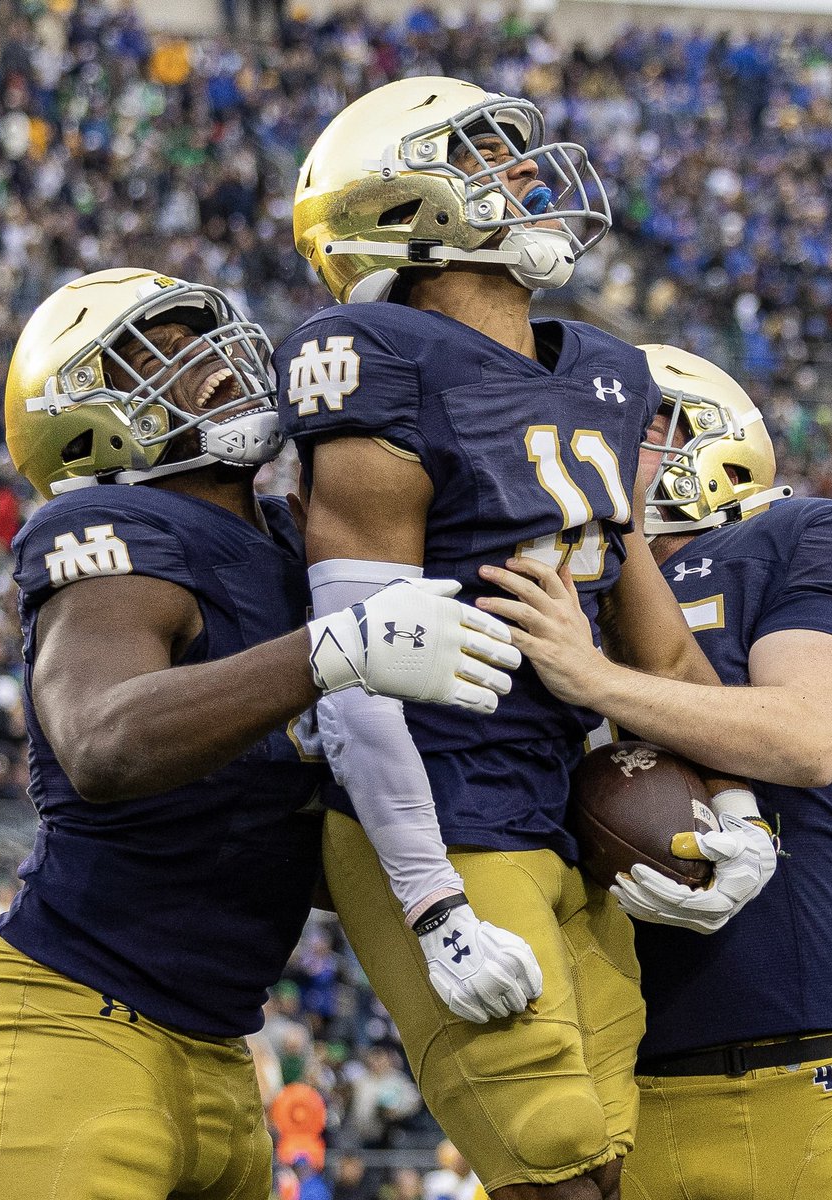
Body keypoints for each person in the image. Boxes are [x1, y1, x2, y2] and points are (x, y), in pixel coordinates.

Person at [277, 78, 776, 1199]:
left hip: (556, 809)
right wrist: (431, 904)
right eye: (481, 159)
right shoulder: (375, 356)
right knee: (553, 1164)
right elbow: (353, 660)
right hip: (439, 808)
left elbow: (649, 634)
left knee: (614, 1167)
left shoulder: (606, 369)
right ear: (401, 207)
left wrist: (734, 800)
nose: (522, 178)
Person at [0, 267, 522, 1200]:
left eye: (204, 331)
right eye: (158, 350)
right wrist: (330, 650)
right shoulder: (113, 528)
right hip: (66, 1025)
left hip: (221, 1058)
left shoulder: (295, 544)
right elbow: (103, 741)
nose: (208, 358)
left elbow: (298, 829)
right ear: (79, 418)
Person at [478, 346, 832, 1199]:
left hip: (802, 1065)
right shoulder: (523, 575)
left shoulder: (797, 534)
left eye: (637, 423)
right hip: (611, 1095)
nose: (598, 441)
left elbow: (806, 735)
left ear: (715, 441)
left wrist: (596, 679)